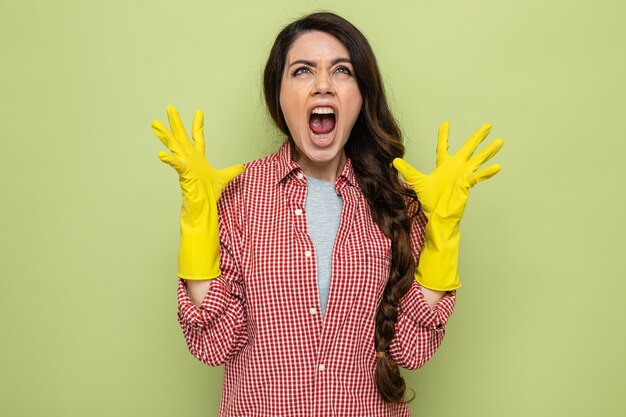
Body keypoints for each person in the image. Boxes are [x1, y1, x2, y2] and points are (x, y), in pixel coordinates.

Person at [150, 11, 503, 417]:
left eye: (342, 71)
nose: (322, 86)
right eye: (302, 71)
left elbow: (411, 347)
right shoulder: (236, 198)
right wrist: (198, 220)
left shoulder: (399, 202)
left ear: (361, 95)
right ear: (278, 95)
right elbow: (214, 343)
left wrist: (443, 228)